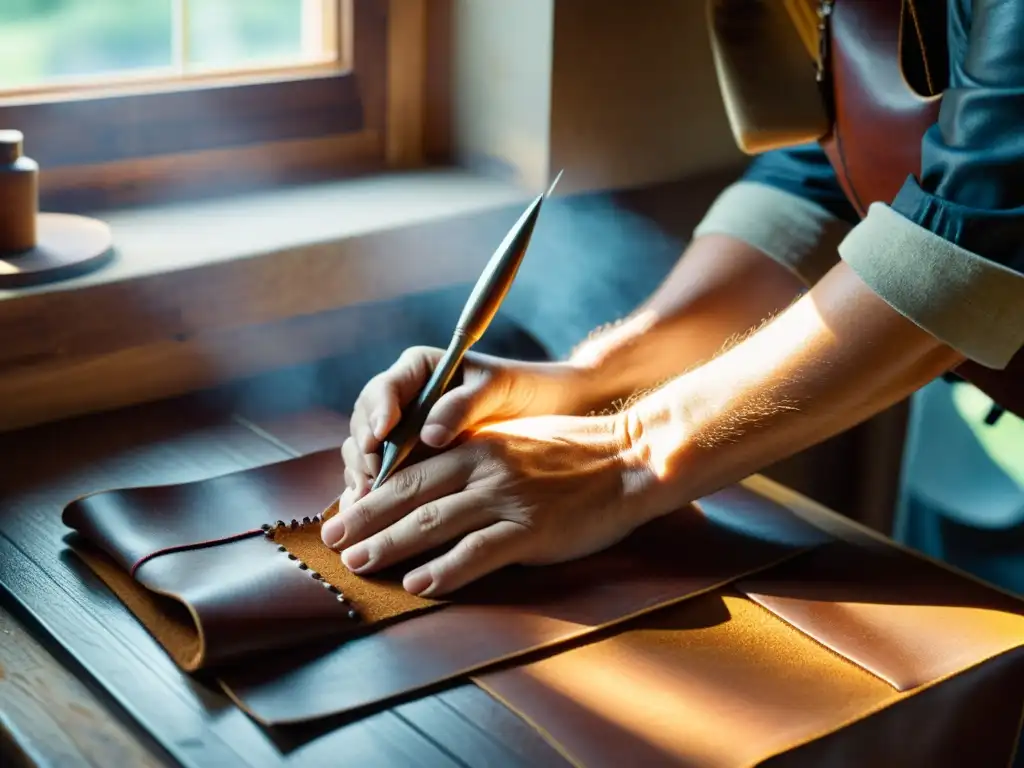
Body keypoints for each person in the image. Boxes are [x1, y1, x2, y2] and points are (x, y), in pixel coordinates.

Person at [322, 0, 1024, 599]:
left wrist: (628, 457)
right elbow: (829, 174)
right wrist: (596, 380)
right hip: (972, 454)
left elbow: (974, 239)